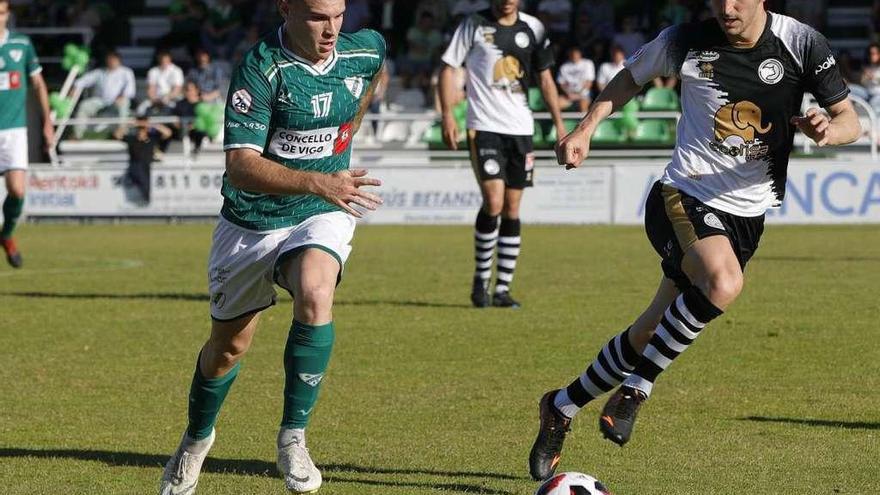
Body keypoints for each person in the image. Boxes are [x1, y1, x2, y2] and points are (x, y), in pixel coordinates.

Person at [528, 0, 860, 481]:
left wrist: (829, 131)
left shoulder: (802, 43)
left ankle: (560, 406)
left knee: (648, 332)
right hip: (682, 195)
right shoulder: (683, 41)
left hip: (747, 216)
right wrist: (585, 129)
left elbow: (849, 118)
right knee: (724, 283)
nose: (727, 7)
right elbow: (629, 78)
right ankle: (637, 388)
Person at [158, 1, 386, 494]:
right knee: (228, 348)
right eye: (316, 17)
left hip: (319, 210)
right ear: (286, 9)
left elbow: (373, 73)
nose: (330, 29)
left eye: (338, 14)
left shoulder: (363, 50)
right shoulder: (260, 68)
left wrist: (345, 140)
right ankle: (195, 442)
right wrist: (318, 180)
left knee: (315, 291)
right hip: (251, 223)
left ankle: (293, 437)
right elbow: (240, 165)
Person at [439, 0, 565, 309]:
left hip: (521, 128)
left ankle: (502, 288)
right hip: (483, 126)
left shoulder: (533, 27)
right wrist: (447, 114)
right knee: (493, 200)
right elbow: (448, 66)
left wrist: (561, 126)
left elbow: (545, 78)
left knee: (512, 207)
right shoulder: (473, 24)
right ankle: (481, 279)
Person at [0, 0, 54, 268]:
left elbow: (38, 84)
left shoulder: (21, 44)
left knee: (17, 190)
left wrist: (47, 122)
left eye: (0, 13)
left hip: (14, 131)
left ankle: (7, 235)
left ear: (7, 15)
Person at [73, 51, 136, 139]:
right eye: (109, 60)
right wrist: (75, 87)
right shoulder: (100, 72)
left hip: (117, 101)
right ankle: (77, 135)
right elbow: (83, 81)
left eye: (114, 60)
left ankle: (121, 131)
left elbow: (130, 90)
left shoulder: (126, 72)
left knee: (124, 102)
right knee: (84, 105)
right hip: (100, 101)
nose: (111, 62)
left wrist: (122, 96)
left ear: (119, 60)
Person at [113, 114, 173, 203]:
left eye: (143, 128)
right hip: (134, 165)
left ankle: (146, 200)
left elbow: (168, 133)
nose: (141, 130)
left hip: (147, 166)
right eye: (140, 129)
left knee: (145, 184)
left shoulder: (152, 138)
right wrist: (130, 125)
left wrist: (151, 125)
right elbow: (117, 135)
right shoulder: (132, 139)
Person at [137, 50, 185, 116]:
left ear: (170, 60)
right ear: (159, 60)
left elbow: (177, 89)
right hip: (156, 98)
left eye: (166, 60)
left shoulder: (176, 70)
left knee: (174, 107)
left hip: (173, 99)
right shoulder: (153, 71)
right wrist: (154, 99)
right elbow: (151, 88)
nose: (164, 62)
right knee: (141, 109)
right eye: (162, 60)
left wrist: (167, 98)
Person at [557, 46, 595, 112]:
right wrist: (568, 94)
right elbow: (561, 84)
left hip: (584, 95)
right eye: (572, 54)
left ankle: (584, 122)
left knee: (582, 105)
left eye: (576, 53)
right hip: (569, 96)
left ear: (580, 54)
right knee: (555, 104)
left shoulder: (588, 63)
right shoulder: (564, 67)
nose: (574, 55)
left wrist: (578, 95)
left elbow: (589, 83)